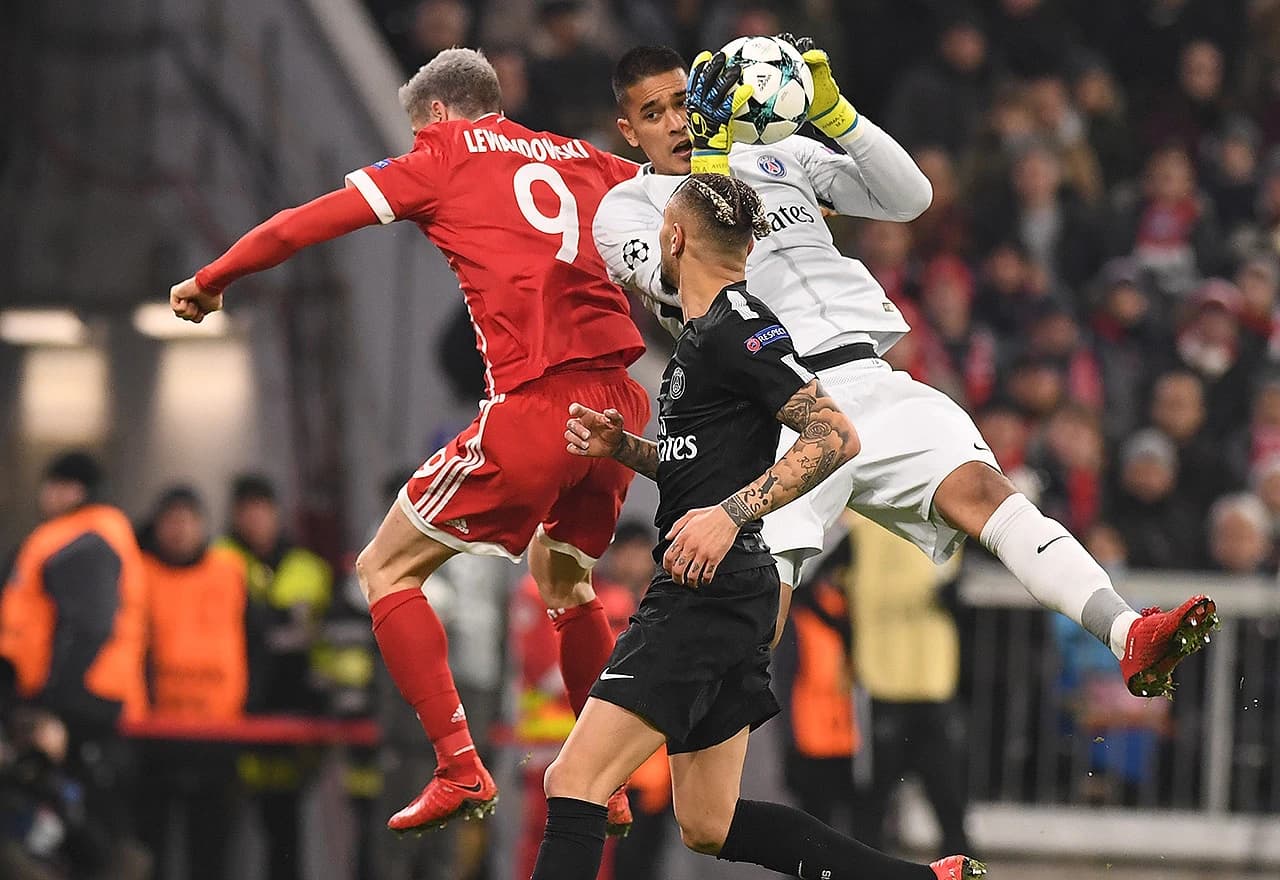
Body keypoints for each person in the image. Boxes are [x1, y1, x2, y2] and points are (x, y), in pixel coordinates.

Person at [593, 41, 1218, 701]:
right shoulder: (625, 212)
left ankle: (1127, 633)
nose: (675, 122)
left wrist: (836, 114)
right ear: (629, 131)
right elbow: (706, 279)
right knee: (754, 620)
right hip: (771, 409)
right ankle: (666, 770)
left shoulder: (779, 155)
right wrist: (716, 157)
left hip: (870, 375)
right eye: (653, 112)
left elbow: (910, 198)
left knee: (984, 490)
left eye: (685, 104)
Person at [168, 47, 651, 833]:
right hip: (619, 407)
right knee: (566, 583)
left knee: (384, 566)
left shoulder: (444, 154)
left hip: (536, 402)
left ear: (434, 113)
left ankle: (459, 768)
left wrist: (213, 277)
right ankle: (612, 779)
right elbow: (681, 206)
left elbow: (301, 225)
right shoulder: (580, 156)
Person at [534, 171, 978, 880]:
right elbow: (702, 471)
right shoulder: (709, 333)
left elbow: (834, 435)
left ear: (674, 237)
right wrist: (626, 450)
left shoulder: (737, 329)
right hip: (730, 586)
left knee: (574, 782)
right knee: (710, 824)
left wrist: (733, 513)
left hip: (703, 591)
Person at [0, 453, 148, 868]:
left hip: (78, 702)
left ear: (71, 489)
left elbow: (87, 627)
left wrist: (50, 705)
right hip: (79, 698)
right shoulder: (82, 535)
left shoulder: (83, 539)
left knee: (76, 832)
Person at [134, 486, 256, 880]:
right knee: (149, 849)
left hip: (217, 735)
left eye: (187, 520)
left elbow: (259, 641)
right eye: (170, 521)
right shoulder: (139, 574)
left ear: (203, 525)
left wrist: (250, 704)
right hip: (155, 736)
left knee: (211, 852)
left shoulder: (229, 572)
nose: (179, 530)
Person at [218, 474, 332, 880]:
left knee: (284, 831)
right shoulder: (218, 562)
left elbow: (325, 646)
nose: (255, 519)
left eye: (262, 508)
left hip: (291, 717)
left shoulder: (308, 568)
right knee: (222, 836)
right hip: (230, 715)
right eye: (246, 510)